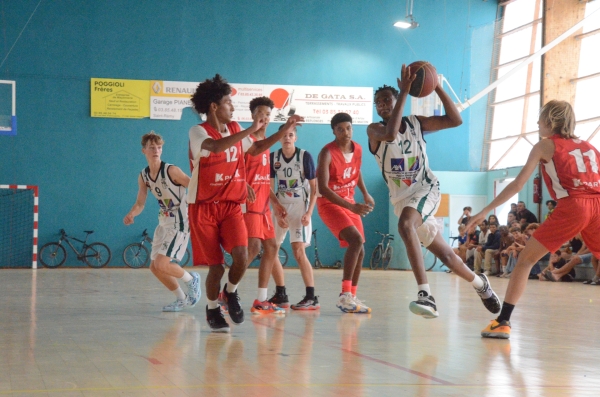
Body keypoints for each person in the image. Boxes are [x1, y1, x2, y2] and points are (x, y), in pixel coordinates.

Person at [366, 64, 500, 319]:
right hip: (402, 199)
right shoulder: (374, 130)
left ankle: (425, 295)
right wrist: (404, 92)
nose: (382, 105)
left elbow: (455, 119)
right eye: (379, 103)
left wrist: (436, 85)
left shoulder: (417, 124)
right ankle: (481, 284)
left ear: (397, 101)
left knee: (405, 225)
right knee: (448, 257)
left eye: (387, 100)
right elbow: (391, 133)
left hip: (426, 189)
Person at [466, 100, 600, 339]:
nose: (537, 122)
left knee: (525, 261)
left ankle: (503, 321)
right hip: (598, 204)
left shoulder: (545, 145)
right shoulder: (590, 147)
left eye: (540, 118)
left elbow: (517, 184)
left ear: (550, 121)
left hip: (575, 204)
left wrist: (484, 211)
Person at [188, 74, 302, 332]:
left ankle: (230, 292)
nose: (233, 107)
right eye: (228, 102)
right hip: (203, 206)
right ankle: (211, 307)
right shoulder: (198, 131)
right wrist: (250, 129)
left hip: (230, 206)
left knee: (242, 256)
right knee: (216, 267)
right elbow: (215, 148)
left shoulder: (237, 129)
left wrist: (283, 130)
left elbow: (256, 148)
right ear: (215, 107)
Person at [123, 131, 200, 312]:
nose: (156, 150)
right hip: (164, 221)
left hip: (180, 221)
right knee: (155, 267)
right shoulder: (144, 176)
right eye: (152, 147)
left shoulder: (172, 170)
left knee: (162, 264)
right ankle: (181, 298)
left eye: (159, 147)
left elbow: (195, 188)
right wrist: (132, 213)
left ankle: (192, 279)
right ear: (144, 151)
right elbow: (140, 202)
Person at [240, 96, 301, 315]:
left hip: (264, 205)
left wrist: (274, 203)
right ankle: (227, 293)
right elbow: (238, 168)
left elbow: (264, 180)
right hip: (249, 204)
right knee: (253, 248)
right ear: (252, 116)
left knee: (272, 247)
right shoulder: (248, 140)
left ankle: (261, 299)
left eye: (267, 115)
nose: (264, 118)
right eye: (260, 114)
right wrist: (243, 184)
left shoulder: (266, 144)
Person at [317, 112, 374, 314]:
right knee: (356, 241)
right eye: (340, 129)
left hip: (350, 202)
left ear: (352, 128)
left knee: (361, 250)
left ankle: (351, 295)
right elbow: (323, 189)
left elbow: (356, 173)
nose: (345, 132)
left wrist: (366, 194)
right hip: (329, 203)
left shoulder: (358, 148)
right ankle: (344, 296)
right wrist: (351, 207)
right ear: (333, 131)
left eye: (348, 128)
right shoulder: (327, 153)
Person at [269, 124, 319, 310]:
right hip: (281, 206)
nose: (287, 138)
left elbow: (315, 189)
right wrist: (276, 207)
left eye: (291, 135)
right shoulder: (273, 158)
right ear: (279, 137)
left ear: (295, 138)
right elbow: (268, 187)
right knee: (271, 249)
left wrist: (309, 212)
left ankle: (311, 297)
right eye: (284, 135)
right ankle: (281, 294)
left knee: (298, 251)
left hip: (300, 207)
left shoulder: (304, 156)